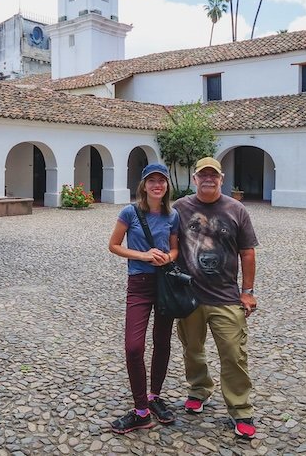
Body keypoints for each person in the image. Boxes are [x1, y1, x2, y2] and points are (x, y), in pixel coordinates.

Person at [173, 156, 260, 440]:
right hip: (190, 296)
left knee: (234, 354)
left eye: (213, 175)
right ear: (195, 179)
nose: (208, 178)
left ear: (221, 179)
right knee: (192, 349)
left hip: (226, 297)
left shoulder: (236, 209)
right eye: (203, 175)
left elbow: (247, 252)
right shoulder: (180, 208)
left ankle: (240, 408)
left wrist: (247, 292)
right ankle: (199, 390)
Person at [107, 163, 181, 434]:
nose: (157, 185)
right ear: (144, 185)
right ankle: (140, 410)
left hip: (164, 283)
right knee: (134, 347)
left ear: (166, 186)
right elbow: (113, 245)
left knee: (162, 341)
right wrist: (144, 255)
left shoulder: (172, 215)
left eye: (161, 181)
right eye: (152, 181)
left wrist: (166, 257)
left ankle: (153, 397)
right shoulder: (130, 212)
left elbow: (175, 249)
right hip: (139, 283)